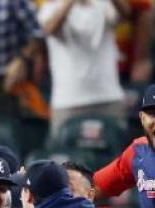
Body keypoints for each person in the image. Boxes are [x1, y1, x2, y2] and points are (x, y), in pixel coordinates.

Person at [38, 0, 127, 136]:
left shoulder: (103, 4)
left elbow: (125, 14)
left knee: (118, 154)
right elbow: (49, 29)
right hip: (68, 101)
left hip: (108, 96)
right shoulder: (50, 7)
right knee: (63, 154)